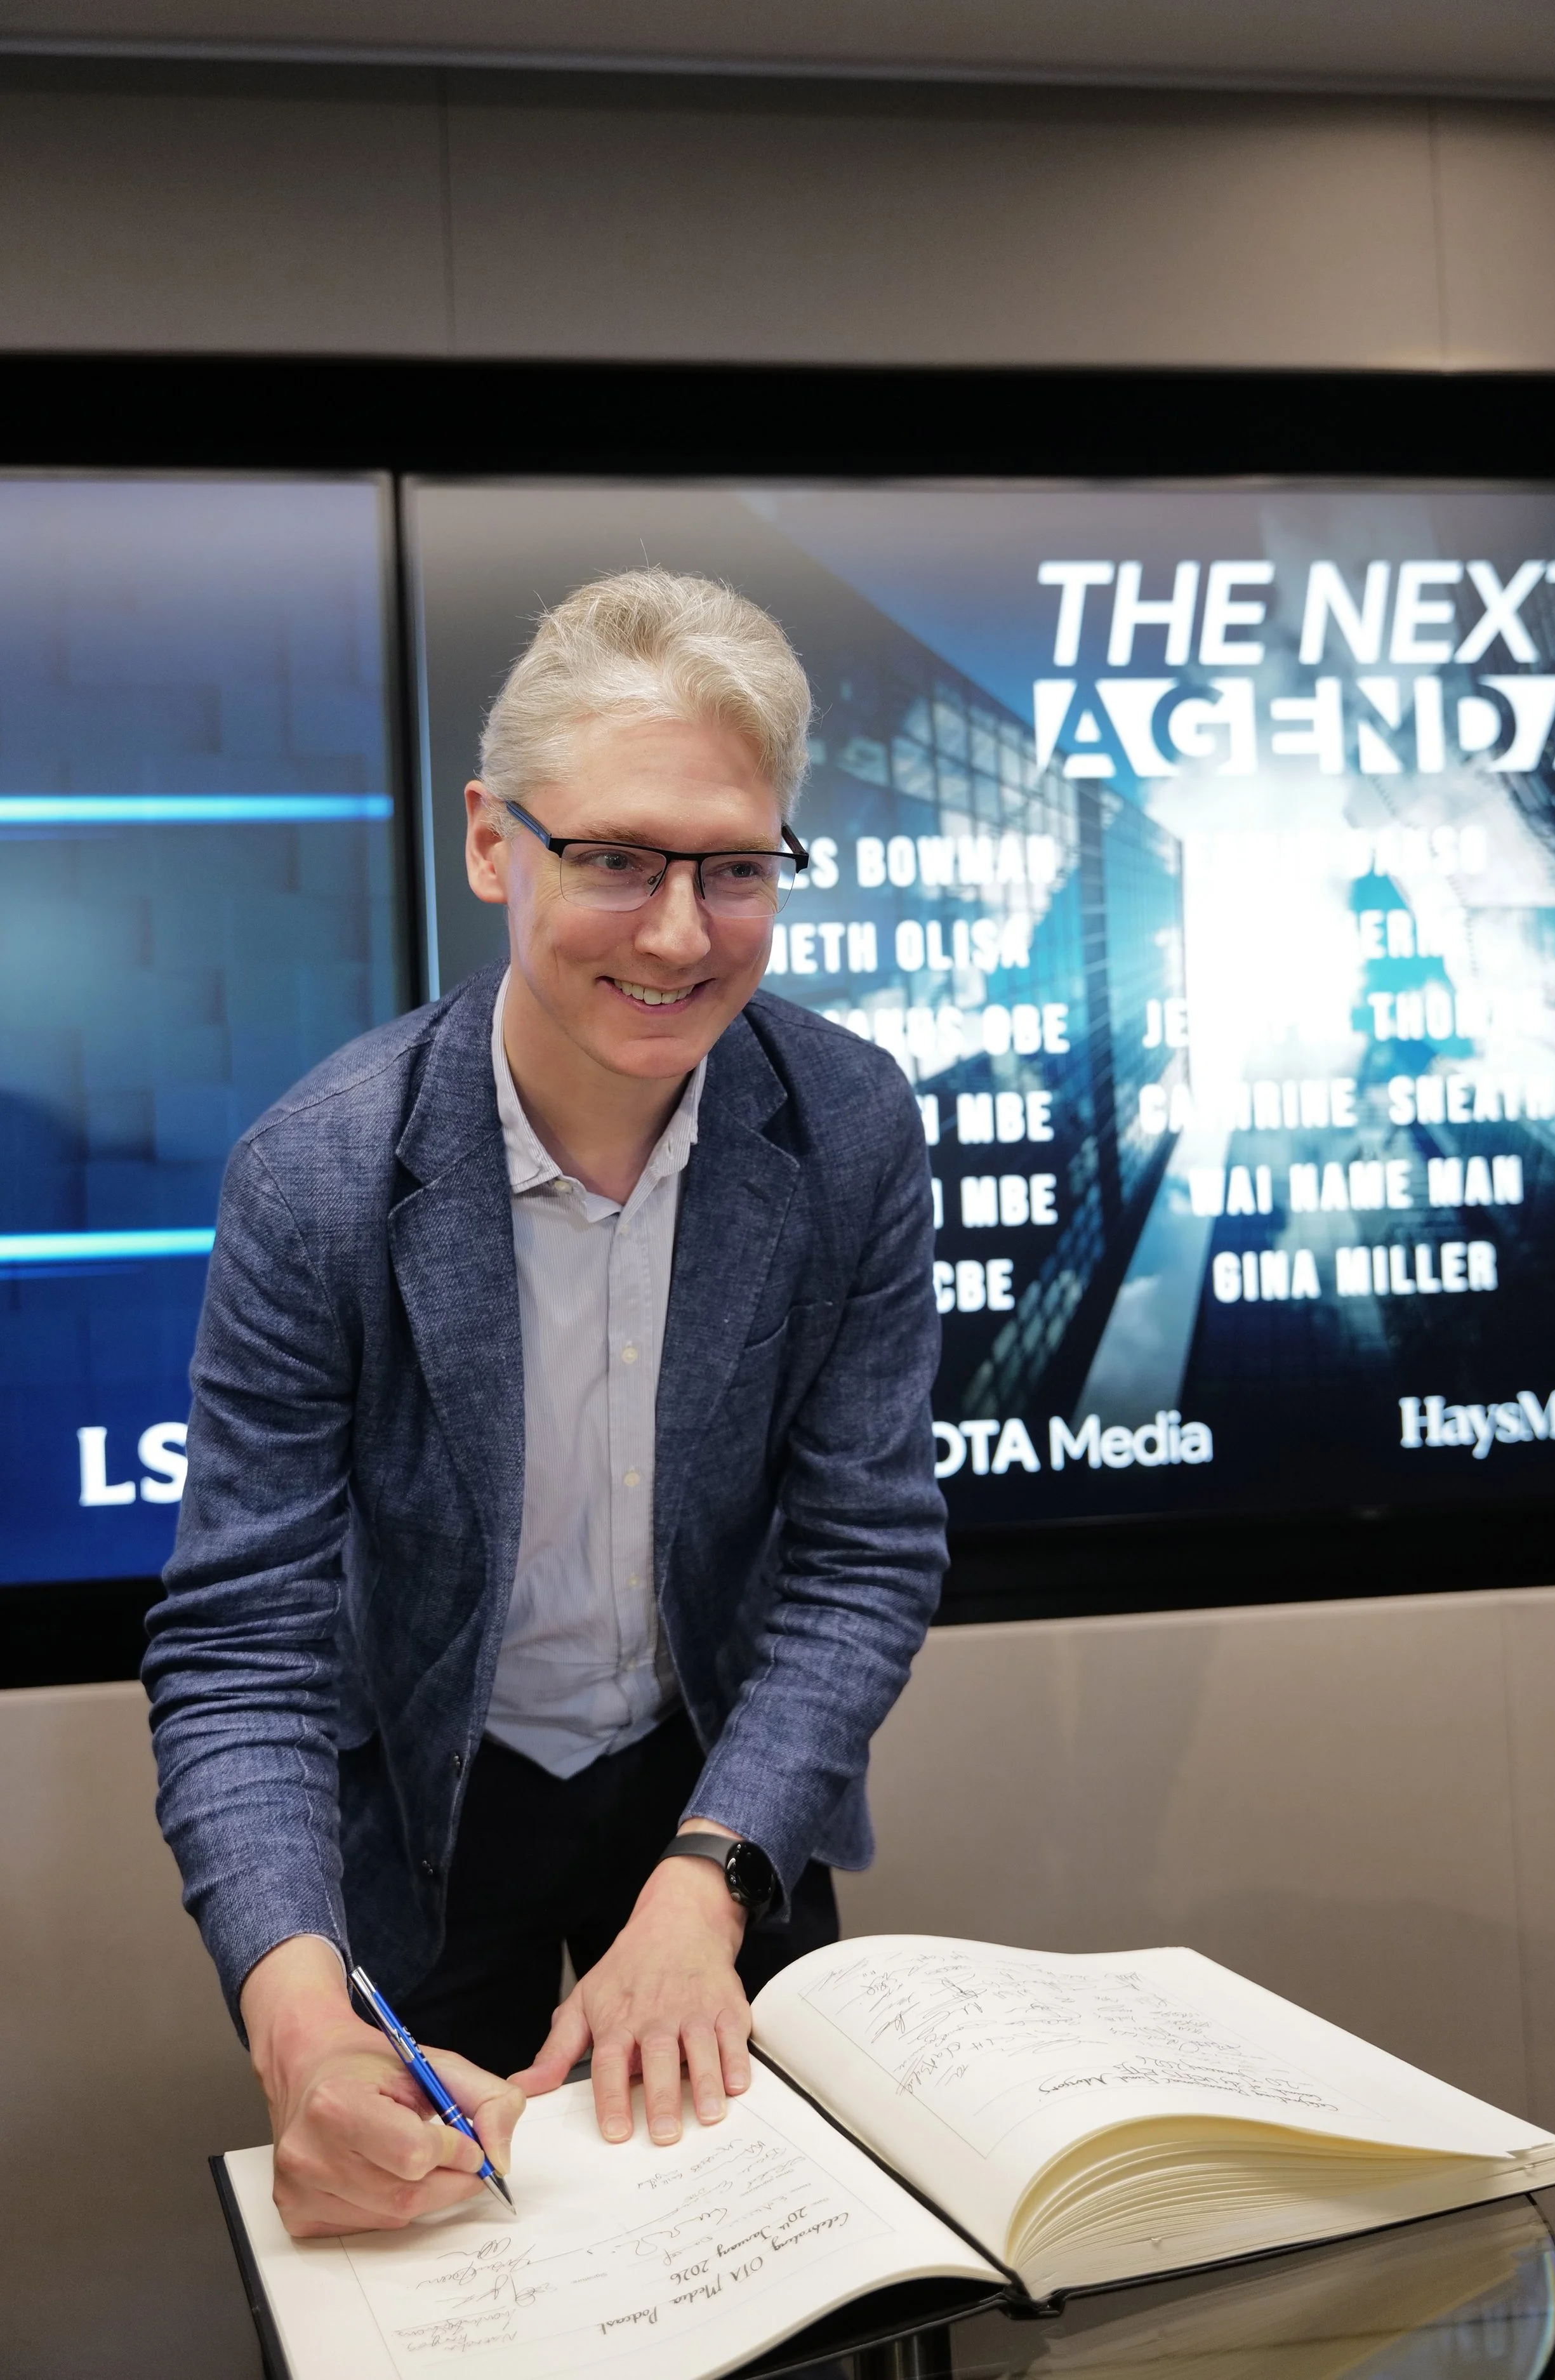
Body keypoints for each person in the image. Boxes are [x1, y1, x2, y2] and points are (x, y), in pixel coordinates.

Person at [145, 568, 946, 2238]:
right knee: (456, 2268)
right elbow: (242, 1642)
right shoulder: (319, 1174)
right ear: (493, 841)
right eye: (615, 858)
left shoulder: (848, 1127)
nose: (677, 930)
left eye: (733, 866)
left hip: (717, 1781)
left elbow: (860, 1558)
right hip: (432, 1822)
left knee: (792, 2267)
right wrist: (295, 2029)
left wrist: (712, 1878)